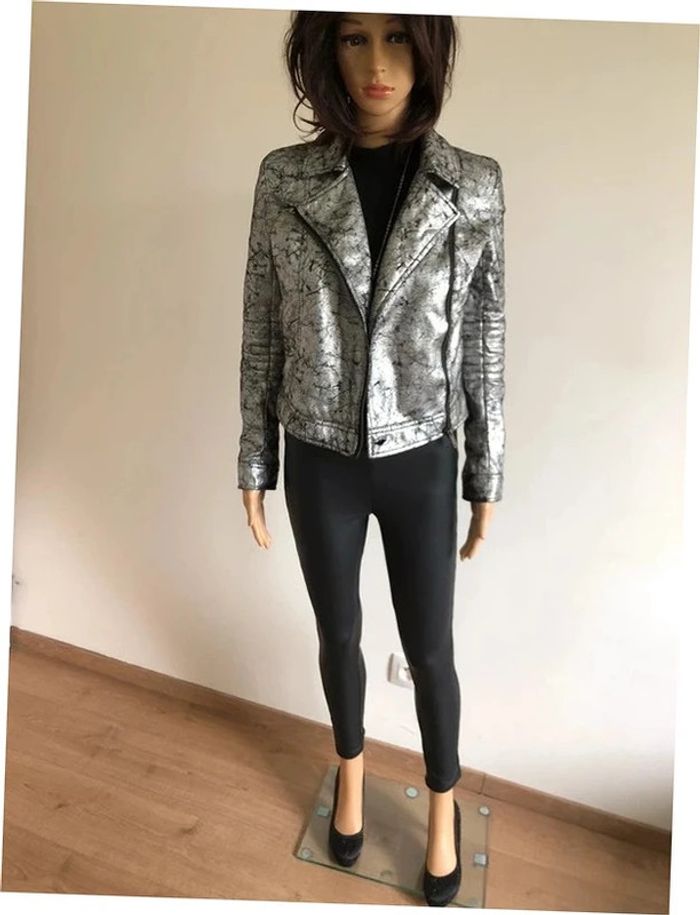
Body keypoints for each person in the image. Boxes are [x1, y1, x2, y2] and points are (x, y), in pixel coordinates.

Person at [237, 10, 506, 907]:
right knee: (339, 633)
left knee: (431, 646)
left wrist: (485, 472)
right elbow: (262, 325)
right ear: (325, 51)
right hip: (319, 454)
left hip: (422, 453)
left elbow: (485, 341)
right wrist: (255, 458)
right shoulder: (285, 179)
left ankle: (443, 807)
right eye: (355, 39)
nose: (378, 64)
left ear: (428, 51)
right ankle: (349, 774)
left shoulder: (473, 184)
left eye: (397, 38)